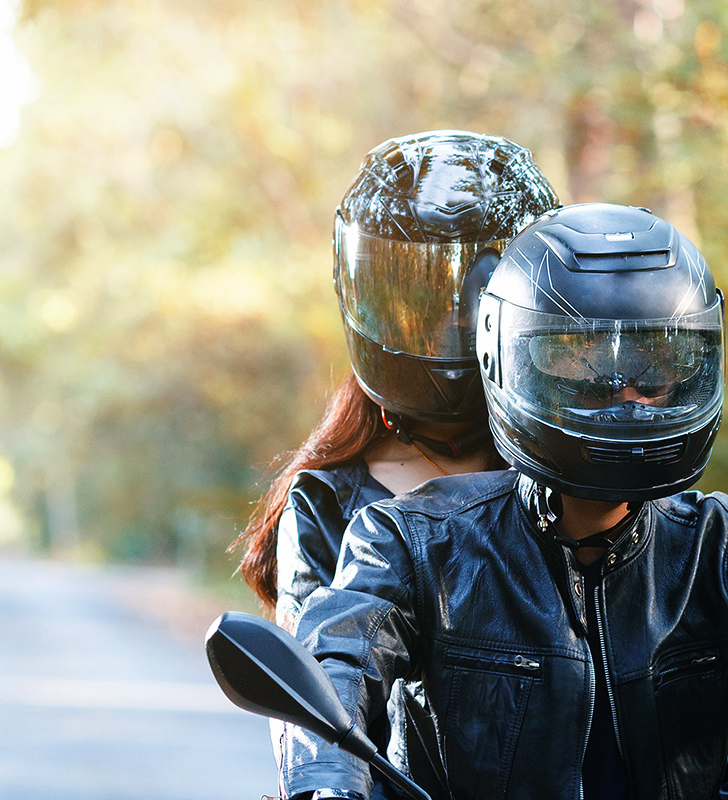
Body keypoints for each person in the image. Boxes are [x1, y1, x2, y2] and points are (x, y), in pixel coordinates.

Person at [286, 204, 728, 800]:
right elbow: (336, 661)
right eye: (590, 375)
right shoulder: (418, 542)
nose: (630, 403)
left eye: (655, 376)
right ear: (511, 363)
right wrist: (324, 786)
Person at [230, 130, 559, 797]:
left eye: (469, 298)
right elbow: (321, 698)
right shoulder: (327, 503)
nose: (446, 324)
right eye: (419, 301)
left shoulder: (571, 478)